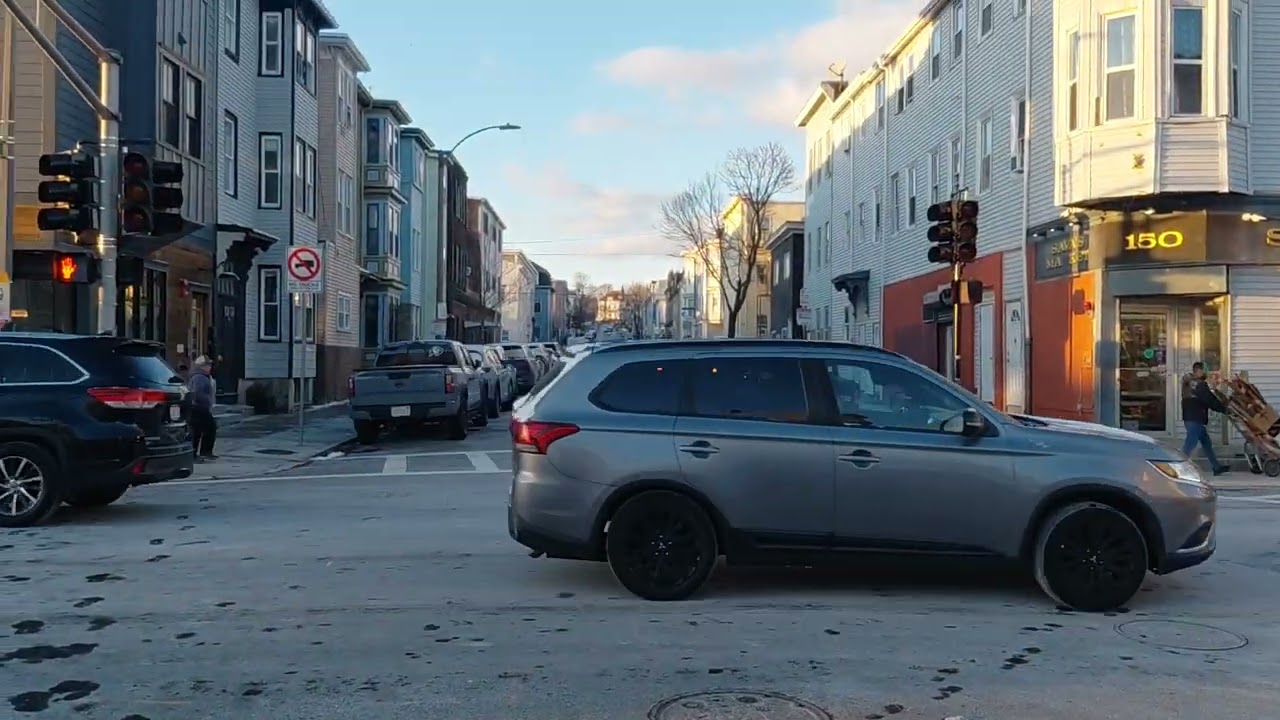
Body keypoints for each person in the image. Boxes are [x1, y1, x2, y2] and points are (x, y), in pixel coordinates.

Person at [1181, 361, 1229, 476]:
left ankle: (1216, 467)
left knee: (1207, 443)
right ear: (1198, 370)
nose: (1205, 373)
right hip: (1195, 418)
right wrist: (1224, 409)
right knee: (1189, 446)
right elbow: (1209, 399)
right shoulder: (1198, 384)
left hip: (1191, 417)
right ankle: (1178, 468)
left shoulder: (1189, 382)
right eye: (1204, 371)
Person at [188, 355, 218, 461]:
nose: (210, 367)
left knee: (200, 431)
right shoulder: (199, 377)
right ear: (202, 366)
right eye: (207, 365)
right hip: (199, 407)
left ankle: (201, 453)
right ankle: (200, 453)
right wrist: (206, 401)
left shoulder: (202, 377)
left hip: (198, 407)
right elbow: (197, 393)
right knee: (206, 429)